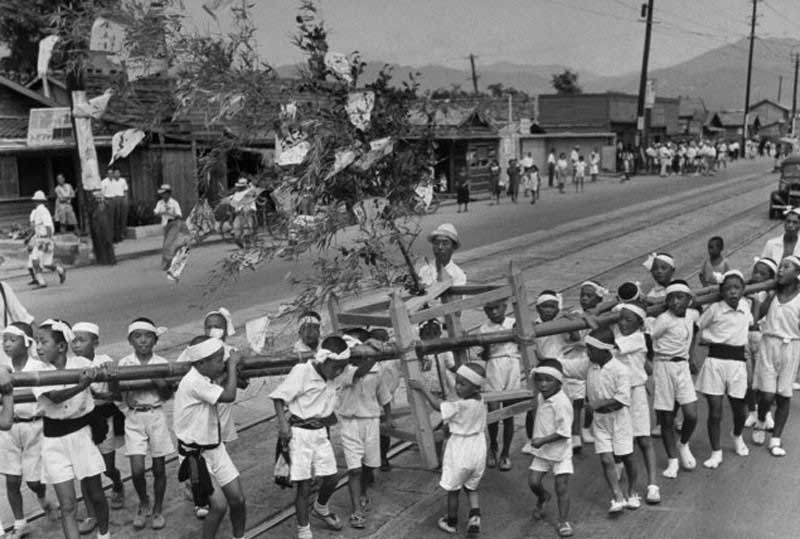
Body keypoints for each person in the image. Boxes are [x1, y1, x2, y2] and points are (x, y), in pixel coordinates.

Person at [270, 335, 378, 539]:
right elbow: (278, 397)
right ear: (324, 360)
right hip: (300, 433)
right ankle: (304, 530)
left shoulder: (337, 373)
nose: (339, 371)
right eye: (336, 367)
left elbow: (357, 374)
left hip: (320, 432)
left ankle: (321, 507)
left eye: (342, 367)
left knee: (332, 477)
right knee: (304, 485)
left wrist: (372, 353)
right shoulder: (303, 371)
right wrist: (283, 425)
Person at [31, 321, 110, 539]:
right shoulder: (38, 371)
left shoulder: (82, 363)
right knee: (67, 506)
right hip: (54, 441)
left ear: (61, 346)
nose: (38, 347)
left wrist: (105, 373)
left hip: (81, 435)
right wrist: (81, 386)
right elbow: (55, 397)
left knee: (96, 494)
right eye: (37, 342)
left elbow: (103, 387)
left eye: (43, 341)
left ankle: (105, 535)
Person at [174, 336, 247, 539]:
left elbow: (221, 384)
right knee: (219, 505)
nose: (221, 363)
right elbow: (229, 395)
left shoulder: (204, 378)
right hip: (195, 456)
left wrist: (226, 373)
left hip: (215, 449)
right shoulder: (193, 382)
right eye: (217, 360)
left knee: (238, 499)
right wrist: (232, 365)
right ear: (200, 363)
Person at [562, 328, 639, 514]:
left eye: (591, 349)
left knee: (627, 457)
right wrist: (546, 362)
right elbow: (568, 367)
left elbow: (621, 399)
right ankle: (617, 496)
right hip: (600, 422)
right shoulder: (589, 365)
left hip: (619, 420)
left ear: (604, 350)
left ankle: (633, 491)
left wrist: (597, 404)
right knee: (606, 459)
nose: (588, 353)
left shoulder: (620, 370)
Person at [409, 363, 487, 536]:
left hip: (460, 448)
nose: (457, 387)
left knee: (453, 488)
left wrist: (422, 388)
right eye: (457, 382)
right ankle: (475, 515)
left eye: (462, 384)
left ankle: (451, 521)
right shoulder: (480, 400)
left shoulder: (460, 406)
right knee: (472, 485)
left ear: (475, 387)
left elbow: (438, 406)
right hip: (478, 446)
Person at [115, 318, 174, 530]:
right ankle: (143, 501)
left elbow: (168, 394)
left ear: (155, 340)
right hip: (134, 417)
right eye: (137, 336)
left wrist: (158, 381)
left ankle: (158, 508)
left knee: (159, 467)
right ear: (130, 340)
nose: (143, 341)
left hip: (156, 415)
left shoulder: (161, 362)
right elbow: (118, 395)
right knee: (137, 469)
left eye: (148, 336)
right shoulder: (124, 364)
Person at [0, 323, 58, 538]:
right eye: (4, 340)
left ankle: (43, 499)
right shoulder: (3, 367)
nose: (6, 344)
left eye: (12, 340)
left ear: (26, 343)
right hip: (9, 428)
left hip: (35, 426)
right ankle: (19, 522)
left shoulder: (39, 367)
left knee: (34, 480)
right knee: (12, 479)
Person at [71, 322, 125, 534]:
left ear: (96, 342)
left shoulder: (105, 362)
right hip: (82, 420)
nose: (76, 345)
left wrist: (110, 379)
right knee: (85, 471)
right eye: (73, 341)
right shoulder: (71, 364)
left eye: (82, 340)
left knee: (107, 466)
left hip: (104, 417)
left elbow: (116, 394)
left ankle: (117, 481)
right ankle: (92, 513)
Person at [335, 331, 392, 529]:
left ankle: (363, 493)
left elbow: (383, 394)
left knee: (370, 465)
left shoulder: (376, 370)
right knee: (354, 469)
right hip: (350, 423)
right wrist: (377, 355)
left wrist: (389, 417)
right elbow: (358, 373)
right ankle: (356, 510)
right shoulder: (343, 370)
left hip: (371, 422)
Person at [695, 270, 752, 469]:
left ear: (743, 290)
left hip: (737, 364)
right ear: (721, 291)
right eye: (728, 289)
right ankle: (716, 451)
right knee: (715, 411)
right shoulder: (715, 309)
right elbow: (697, 325)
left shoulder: (746, 306)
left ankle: (736, 435)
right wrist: (691, 353)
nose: (733, 292)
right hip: (715, 362)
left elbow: (753, 321)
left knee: (740, 411)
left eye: (737, 288)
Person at [650, 280, 700, 478]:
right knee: (667, 418)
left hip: (683, 366)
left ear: (688, 299)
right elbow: (650, 336)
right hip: (664, 366)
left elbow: (699, 310)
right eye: (671, 298)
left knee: (691, 414)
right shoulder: (663, 319)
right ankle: (672, 460)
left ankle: (683, 443)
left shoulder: (692, 314)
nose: (675, 302)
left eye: (680, 297)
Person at [752, 256, 800, 455]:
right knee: (767, 394)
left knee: (784, 395)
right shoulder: (772, 293)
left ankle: (776, 438)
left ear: (797, 273)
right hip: (768, 343)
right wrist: (770, 295)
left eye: (786, 267)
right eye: (780, 267)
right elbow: (758, 316)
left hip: (791, 346)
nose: (780, 270)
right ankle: (761, 419)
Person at [613, 302, 660, 504]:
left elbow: (609, 347)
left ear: (640, 324)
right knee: (621, 439)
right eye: (620, 319)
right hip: (618, 393)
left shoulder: (639, 338)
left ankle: (652, 485)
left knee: (643, 439)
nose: (622, 323)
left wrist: (592, 323)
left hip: (636, 392)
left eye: (628, 320)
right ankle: (621, 474)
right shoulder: (616, 335)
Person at [527, 358, 574, 538]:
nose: (543, 384)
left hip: (560, 452)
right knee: (533, 482)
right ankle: (543, 496)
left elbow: (564, 432)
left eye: (548, 380)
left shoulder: (562, 403)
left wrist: (542, 440)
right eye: (539, 380)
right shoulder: (540, 397)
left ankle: (564, 521)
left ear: (558, 382)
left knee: (561, 488)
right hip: (543, 451)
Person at [478, 298, 520, 471]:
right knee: (494, 410)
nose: (494, 312)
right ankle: (493, 445)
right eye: (489, 310)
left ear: (504, 307)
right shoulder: (484, 328)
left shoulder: (514, 323)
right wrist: (486, 344)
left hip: (513, 365)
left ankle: (506, 452)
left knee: (509, 412)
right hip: (495, 366)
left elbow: (522, 342)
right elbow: (485, 355)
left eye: (496, 308)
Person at [745, 258, 777, 427]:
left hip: (763, 337)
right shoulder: (747, 290)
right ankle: (752, 410)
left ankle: (765, 412)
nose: (757, 276)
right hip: (746, 336)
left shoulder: (771, 294)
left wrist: (768, 298)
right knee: (749, 378)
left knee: (764, 377)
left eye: (762, 274)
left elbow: (762, 315)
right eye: (755, 272)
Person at [27, 190, 66, 289]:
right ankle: (60, 270)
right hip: (41, 239)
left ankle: (42, 282)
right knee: (46, 263)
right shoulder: (38, 211)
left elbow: (48, 226)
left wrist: (48, 240)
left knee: (36, 261)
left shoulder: (42, 211)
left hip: (44, 239)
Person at [417, 223, 466, 289]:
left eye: (445, 243)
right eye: (436, 243)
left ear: (453, 247)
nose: (440, 247)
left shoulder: (458, 275)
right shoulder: (424, 270)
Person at [154, 184, 183, 270]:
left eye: (164, 193)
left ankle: (169, 262)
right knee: (166, 244)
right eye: (162, 194)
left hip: (174, 224)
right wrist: (160, 213)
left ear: (169, 194)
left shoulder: (174, 203)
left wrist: (174, 215)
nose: (163, 195)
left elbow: (179, 214)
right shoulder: (160, 203)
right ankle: (167, 261)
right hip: (165, 225)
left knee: (168, 244)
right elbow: (156, 212)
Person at [87, 190, 116, 266]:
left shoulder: (108, 205)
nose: (99, 199)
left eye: (100, 197)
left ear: (103, 198)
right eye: (97, 198)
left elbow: (112, 216)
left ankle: (112, 260)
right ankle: (103, 261)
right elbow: (91, 216)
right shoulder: (93, 207)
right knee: (100, 244)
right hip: (98, 227)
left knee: (108, 242)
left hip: (107, 227)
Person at [101, 168, 129, 243]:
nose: (111, 175)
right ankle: (111, 238)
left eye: (112, 173)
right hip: (108, 200)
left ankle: (118, 237)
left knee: (117, 219)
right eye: (109, 174)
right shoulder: (104, 182)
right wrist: (105, 201)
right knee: (110, 220)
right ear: (107, 175)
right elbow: (102, 194)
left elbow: (121, 191)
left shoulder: (115, 181)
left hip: (115, 200)